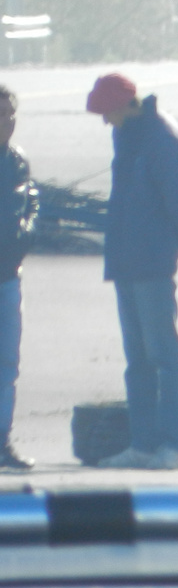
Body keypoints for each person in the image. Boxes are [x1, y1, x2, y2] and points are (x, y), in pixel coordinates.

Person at [86, 73, 178, 470]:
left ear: (123, 106)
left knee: (164, 357)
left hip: (151, 262)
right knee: (137, 360)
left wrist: (168, 246)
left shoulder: (162, 136)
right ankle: (143, 444)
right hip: (125, 262)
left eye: (106, 113)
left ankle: (173, 445)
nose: (104, 121)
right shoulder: (129, 134)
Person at [0, 86, 38, 471]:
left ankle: (2, 442)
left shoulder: (17, 159)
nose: (7, 122)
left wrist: (30, 227)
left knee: (7, 364)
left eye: (11, 115)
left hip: (8, 277)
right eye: (0, 115)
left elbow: (31, 197)